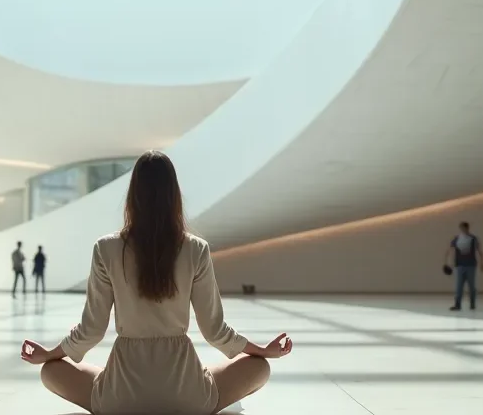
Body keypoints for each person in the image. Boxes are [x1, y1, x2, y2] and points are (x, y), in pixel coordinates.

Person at [19, 150, 292, 414]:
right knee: (259, 367)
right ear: (174, 195)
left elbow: (91, 331)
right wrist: (262, 350)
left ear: (132, 195)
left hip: (119, 400)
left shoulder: (105, 249)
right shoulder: (196, 249)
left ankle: (119, 387)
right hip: (188, 398)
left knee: (51, 371)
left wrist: (50, 353)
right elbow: (215, 331)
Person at [444, 222, 483, 311]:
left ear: (467, 228)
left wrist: (482, 263)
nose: (462, 230)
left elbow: (479, 251)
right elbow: (450, 249)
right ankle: (457, 305)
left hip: (471, 265)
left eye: (463, 228)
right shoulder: (457, 238)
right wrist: (446, 262)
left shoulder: (473, 239)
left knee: (471, 286)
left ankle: (472, 304)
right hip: (459, 265)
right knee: (459, 286)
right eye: (461, 228)